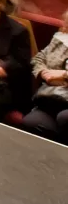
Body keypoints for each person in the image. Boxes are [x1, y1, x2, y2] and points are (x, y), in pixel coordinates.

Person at [23, 13, 68, 142]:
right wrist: (43, 72)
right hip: (52, 96)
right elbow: (39, 58)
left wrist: (63, 75)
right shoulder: (60, 39)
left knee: (64, 118)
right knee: (31, 121)